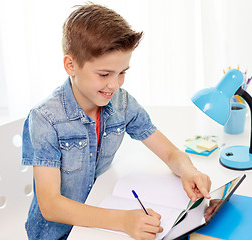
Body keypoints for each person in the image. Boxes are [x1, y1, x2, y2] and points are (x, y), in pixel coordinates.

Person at [22, 3, 212, 240]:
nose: (115, 84)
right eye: (104, 75)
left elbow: (170, 153)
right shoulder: (45, 119)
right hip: (56, 234)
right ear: (71, 65)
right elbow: (50, 206)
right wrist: (122, 220)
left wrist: (188, 171)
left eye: (122, 72)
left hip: (98, 223)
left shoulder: (121, 104)